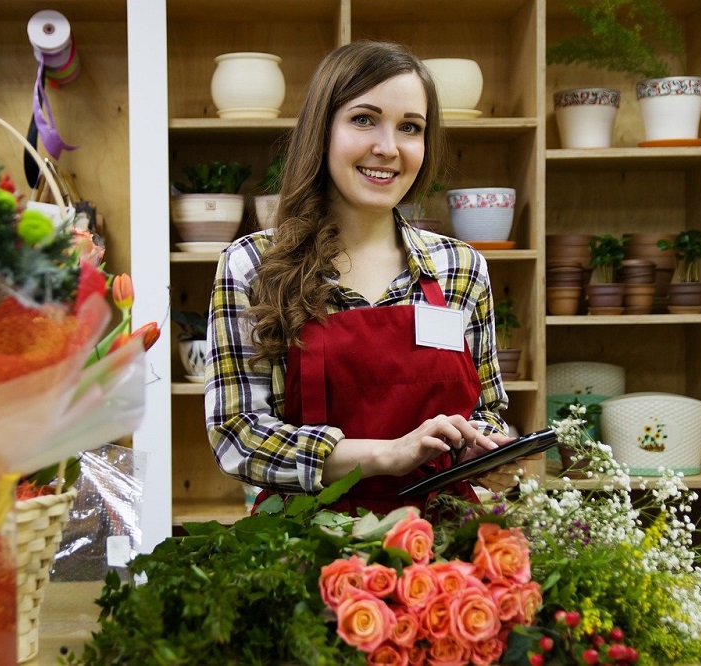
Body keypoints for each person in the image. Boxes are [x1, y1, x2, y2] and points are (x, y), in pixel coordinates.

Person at [204, 40, 517, 515]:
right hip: (305, 547)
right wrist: (383, 455)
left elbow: (486, 410)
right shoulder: (254, 264)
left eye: (410, 127)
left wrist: (479, 446)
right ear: (322, 130)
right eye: (364, 119)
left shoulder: (461, 268)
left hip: (444, 546)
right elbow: (238, 433)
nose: (387, 148)